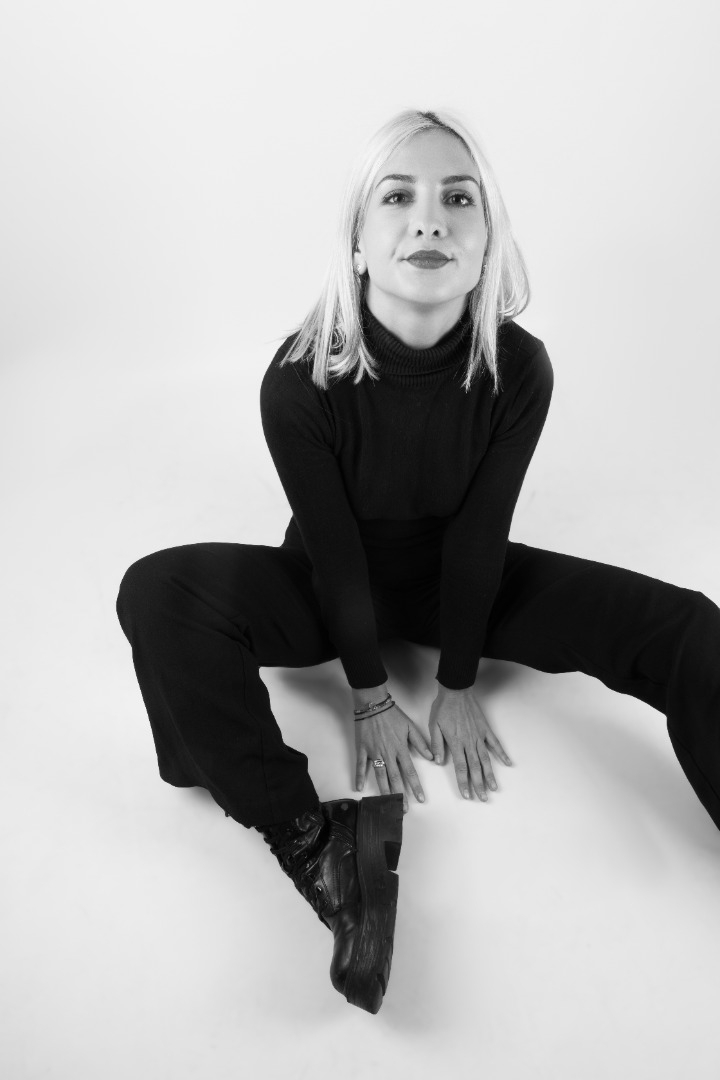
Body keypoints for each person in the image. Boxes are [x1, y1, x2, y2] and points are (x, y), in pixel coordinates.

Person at [116, 108, 720, 1015]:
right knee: (157, 592)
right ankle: (315, 841)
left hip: (462, 582)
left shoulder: (520, 368)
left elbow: (482, 532)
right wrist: (368, 692)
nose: (430, 220)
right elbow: (332, 549)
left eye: (458, 200)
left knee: (687, 628)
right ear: (358, 243)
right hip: (325, 584)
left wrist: (459, 679)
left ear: (487, 242)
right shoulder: (298, 377)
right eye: (398, 198)